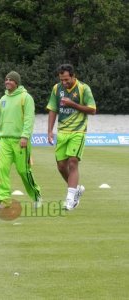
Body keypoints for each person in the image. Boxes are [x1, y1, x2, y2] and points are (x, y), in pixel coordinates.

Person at [47, 64, 96, 210]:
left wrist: (73, 104)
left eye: (66, 79)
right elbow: (52, 109)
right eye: (61, 79)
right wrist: (49, 131)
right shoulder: (57, 89)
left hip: (78, 131)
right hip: (62, 132)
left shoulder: (83, 88)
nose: (64, 82)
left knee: (73, 162)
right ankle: (76, 190)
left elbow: (92, 110)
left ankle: (70, 200)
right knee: (61, 166)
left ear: (74, 76)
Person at [0, 71, 42, 208]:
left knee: (23, 171)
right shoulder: (2, 100)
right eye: (6, 79)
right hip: (5, 141)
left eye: (10, 80)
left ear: (16, 82)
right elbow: (0, 121)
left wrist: (25, 136)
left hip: (20, 141)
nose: (7, 81)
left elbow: (29, 119)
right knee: (2, 169)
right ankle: (4, 200)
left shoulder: (25, 98)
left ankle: (36, 195)